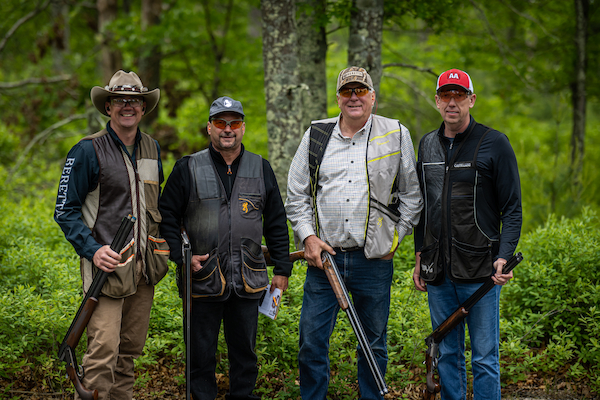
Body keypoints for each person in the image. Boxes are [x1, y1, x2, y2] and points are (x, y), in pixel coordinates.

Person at [286, 66, 423, 400]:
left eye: (360, 90)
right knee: (311, 343)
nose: (354, 97)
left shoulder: (395, 133)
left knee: (373, 343)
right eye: (347, 91)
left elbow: (412, 197)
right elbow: (296, 195)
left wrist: (395, 238)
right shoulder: (316, 135)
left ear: (372, 96)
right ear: (338, 98)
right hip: (324, 263)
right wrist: (308, 237)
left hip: (373, 261)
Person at [159, 96, 292, 400]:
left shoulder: (261, 167)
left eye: (234, 123)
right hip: (202, 278)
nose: (227, 129)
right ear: (209, 128)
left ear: (243, 128)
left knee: (245, 353)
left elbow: (276, 222)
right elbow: (166, 216)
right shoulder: (188, 167)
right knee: (200, 354)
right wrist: (182, 257)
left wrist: (282, 269)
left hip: (248, 278)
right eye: (220, 123)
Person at [54, 70, 169, 399]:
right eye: (120, 100)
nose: (127, 106)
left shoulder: (152, 148)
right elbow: (65, 211)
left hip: (143, 272)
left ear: (144, 107)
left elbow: (156, 208)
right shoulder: (87, 150)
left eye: (134, 100)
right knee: (102, 355)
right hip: (106, 273)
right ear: (108, 107)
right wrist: (92, 249)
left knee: (128, 355)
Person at [412, 69, 522, 400]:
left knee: (485, 359)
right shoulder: (427, 145)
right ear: (436, 101)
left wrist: (503, 256)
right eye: (446, 95)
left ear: (471, 100)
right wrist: (419, 256)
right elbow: (422, 208)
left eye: (459, 95)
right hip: (439, 273)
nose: (452, 102)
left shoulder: (494, 143)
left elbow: (512, 210)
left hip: (481, 272)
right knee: (447, 355)